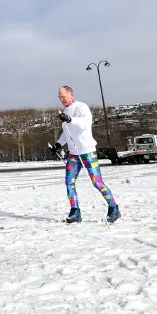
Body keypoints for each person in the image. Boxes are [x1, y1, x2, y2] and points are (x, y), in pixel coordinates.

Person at [50, 85, 120, 223]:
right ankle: (75, 211)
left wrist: (70, 119)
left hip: (87, 152)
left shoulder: (81, 107)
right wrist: (58, 144)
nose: (61, 99)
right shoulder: (65, 111)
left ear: (70, 94)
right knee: (69, 182)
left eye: (63, 97)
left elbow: (84, 123)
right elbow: (67, 132)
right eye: (60, 97)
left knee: (97, 182)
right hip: (73, 155)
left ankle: (114, 208)